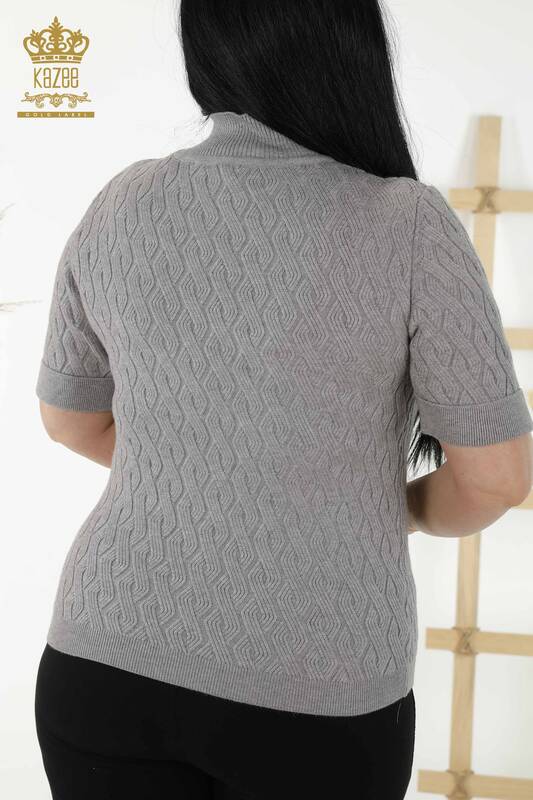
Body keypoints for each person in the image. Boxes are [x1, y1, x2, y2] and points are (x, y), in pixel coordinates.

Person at [33, 1, 533, 798]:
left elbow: (69, 419)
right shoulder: (405, 223)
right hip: (317, 695)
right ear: (350, 48)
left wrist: (210, 472)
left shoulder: (122, 201)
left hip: (102, 663)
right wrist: (372, 506)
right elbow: (497, 479)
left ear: (205, 50)